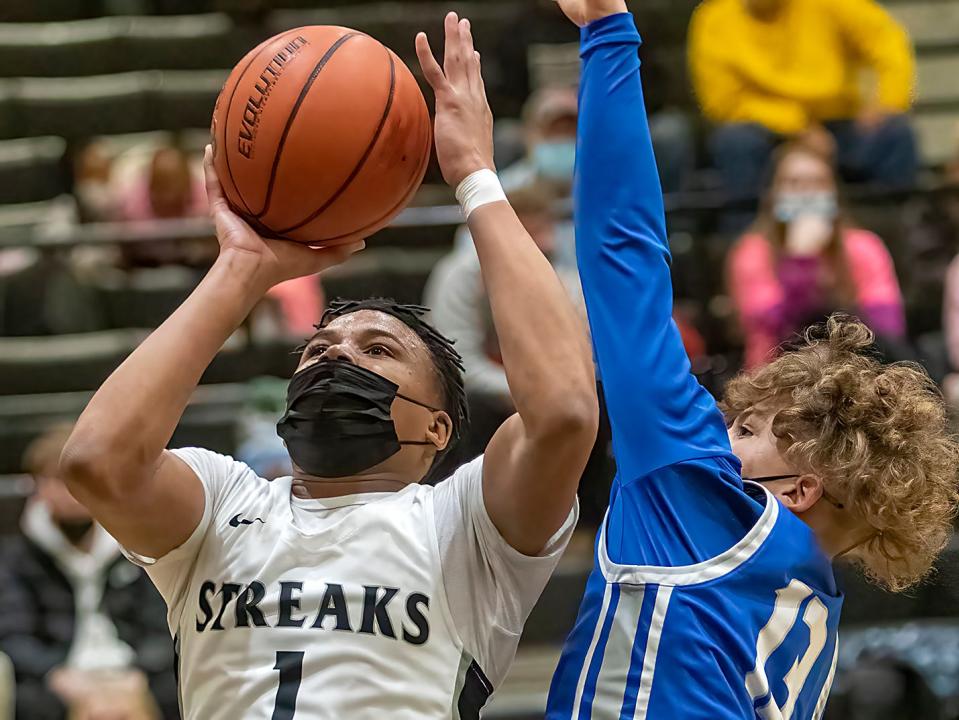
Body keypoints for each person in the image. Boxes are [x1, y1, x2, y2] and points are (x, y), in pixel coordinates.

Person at [60, 13, 598, 720]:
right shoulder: (227, 504)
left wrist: (475, 176)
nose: (337, 352)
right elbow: (96, 462)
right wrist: (241, 270)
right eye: (318, 350)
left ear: (439, 429)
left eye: (378, 350)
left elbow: (562, 411)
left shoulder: (463, 526)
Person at [545, 2, 958, 718]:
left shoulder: (707, 507)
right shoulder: (814, 616)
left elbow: (623, 260)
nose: (713, 430)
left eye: (744, 431)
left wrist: (608, 32)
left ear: (798, 487)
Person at [0, 425, 176, 720]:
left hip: (135, 670)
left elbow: (163, 622)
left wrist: (138, 674)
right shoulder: (17, 558)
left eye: (78, 482)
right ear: (37, 487)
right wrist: (58, 674)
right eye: (57, 482)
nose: (71, 494)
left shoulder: (138, 546)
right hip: (60, 674)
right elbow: (13, 634)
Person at [689, 0, 919, 200]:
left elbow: (888, 39)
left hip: (839, 125)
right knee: (734, 142)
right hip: (767, 132)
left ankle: (888, 238)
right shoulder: (713, 19)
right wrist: (798, 127)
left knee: (895, 132)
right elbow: (722, 103)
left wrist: (889, 101)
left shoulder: (830, 3)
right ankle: (748, 242)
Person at [425, 183, 585, 459]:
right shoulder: (459, 276)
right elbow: (458, 364)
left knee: (594, 404)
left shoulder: (563, 275)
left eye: (545, 231)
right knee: (470, 407)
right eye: (531, 232)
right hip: (486, 397)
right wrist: (524, 391)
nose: (543, 243)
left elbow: (581, 358)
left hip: (545, 390)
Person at [727, 138, 905, 368]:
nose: (806, 194)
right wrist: (801, 261)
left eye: (817, 183)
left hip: (857, 373)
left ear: (834, 192)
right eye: (794, 183)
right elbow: (775, 332)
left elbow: (888, 326)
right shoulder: (752, 252)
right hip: (777, 379)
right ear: (774, 194)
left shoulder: (864, 246)